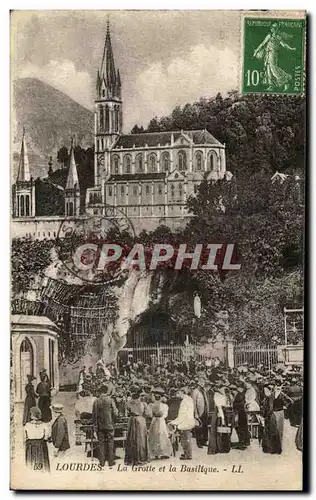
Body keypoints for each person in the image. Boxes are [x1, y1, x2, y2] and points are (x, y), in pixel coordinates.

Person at [92, 384, 118, 468]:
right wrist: (114, 420)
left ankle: (102, 462)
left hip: (100, 426)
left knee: (101, 443)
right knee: (111, 443)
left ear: (100, 392)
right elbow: (115, 412)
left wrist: (95, 425)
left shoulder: (96, 401)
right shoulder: (110, 400)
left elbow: (94, 414)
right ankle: (111, 461)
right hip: (110, 425)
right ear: (106, 391)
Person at [125, 386, 152, 466]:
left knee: (131, 439)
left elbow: (126, 412)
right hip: (140, 420)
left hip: (131, 420)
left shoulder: (128, 403)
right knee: (141, 439)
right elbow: (149, 414)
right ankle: (141, 458)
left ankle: (131, 459)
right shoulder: (143, 404)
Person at [170, 387, 195, 461]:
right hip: (189, 421)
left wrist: (174, 422)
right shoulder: (189, 399)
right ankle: (187, 453)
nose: (177, 395)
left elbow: (182, 415)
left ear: (183, 393)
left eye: (179, 393)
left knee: (185, 439)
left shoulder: (184, 402)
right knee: (187, 438)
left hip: (185, 423)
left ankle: (188, 455)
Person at [148, 388, 172, 460]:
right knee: (159, 435)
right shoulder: (162, 406)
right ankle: (160, 453)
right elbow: (165, 415)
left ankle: (158, 453)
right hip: (159, 421)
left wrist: (156, 415)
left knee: (158, 435)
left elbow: (150, 414)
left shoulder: (152, 405)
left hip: (157, 420)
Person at [208, 381, 232, 454]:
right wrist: (223, 418)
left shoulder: (223, 395)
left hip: (221, 413)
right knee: (217, 431)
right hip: (219, 413)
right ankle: (216, 448)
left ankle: (221, 448)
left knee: (221, 431)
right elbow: (219, 407)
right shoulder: (217, 395)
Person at [24, 406, 50, 472]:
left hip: (30, 445)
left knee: (31, 462)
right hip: (41, 445)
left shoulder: (27, 425)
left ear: (31, 415)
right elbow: (46, 436)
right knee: (42, 462)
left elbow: (24, 437)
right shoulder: (44, 425)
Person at [191, 378, 209, 448]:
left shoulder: (204, 390)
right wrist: (196, 413)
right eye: (201, 382)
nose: (202, 383)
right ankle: (199, 442)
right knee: (199, 427)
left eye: (203, 382)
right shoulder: (195, 391)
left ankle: (204, 441)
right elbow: (194, 403)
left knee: (205, 427)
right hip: (199, 412)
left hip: (205, 411)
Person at [232, 383, 250, 450]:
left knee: (240, 428)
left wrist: (233, 405)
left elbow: (240, 404)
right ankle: (245, 442)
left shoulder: (239, 395)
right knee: (243, 428)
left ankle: (242, 443)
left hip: (240, 413)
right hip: (242, 413)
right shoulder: (241, 394)